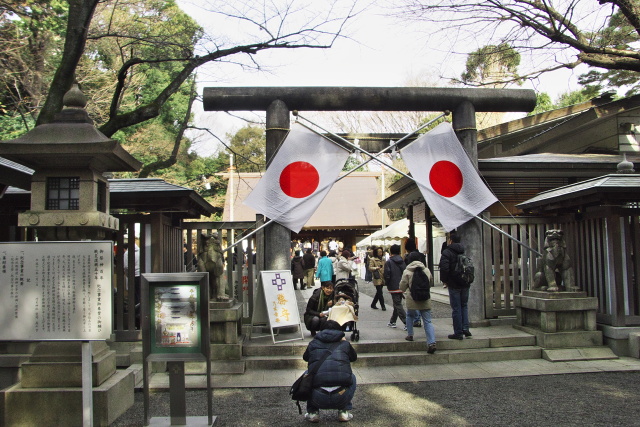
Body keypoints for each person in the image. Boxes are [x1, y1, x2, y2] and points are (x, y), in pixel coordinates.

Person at [302, 319, 357, 423]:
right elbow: (354, 358)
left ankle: (313, 412)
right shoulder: (344, 344)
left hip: (317, 397)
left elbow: (305, 358)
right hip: (341, 395)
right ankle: (343, 412)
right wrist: (345, 342)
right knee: (351, 377)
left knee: (307, 375)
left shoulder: (313, 343)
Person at [400, 252, 437, 354]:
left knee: (409, 315)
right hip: (425, 298)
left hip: (412, 299)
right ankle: (431, 342)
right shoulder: (426, 270)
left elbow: (402, 286)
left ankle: (410, 334)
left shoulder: (407, 271)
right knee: (427, 321)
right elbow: (430, 283)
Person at [439, 231, 472, 340]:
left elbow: (444, 268)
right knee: (464, 305)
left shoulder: (447, 252)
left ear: (450, 240)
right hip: (465, 282)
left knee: (456, 308)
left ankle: (458, 332)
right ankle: (465, 328)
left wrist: (445, 280)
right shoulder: (463, 250)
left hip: (454, 283)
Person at [384, 244, 406, 329]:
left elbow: (387, 275)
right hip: (401, 285)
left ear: (391, 252)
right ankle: (392, 321)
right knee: (396, 304)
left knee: (397, 304)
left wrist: (387, 283)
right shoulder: (402, 261)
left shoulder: (389, 262)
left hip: (393, 285)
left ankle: (406, 322)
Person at [368, 246, 386, 311]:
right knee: (380, 292)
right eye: (379, 252)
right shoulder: (373, 259)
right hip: (377, 277)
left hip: (382, 277)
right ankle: (383, 306)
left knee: (379, 292)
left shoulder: (383, 259)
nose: (380, 253)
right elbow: (370, 268)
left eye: (381, 251)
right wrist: (376, 268)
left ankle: (373, 304)